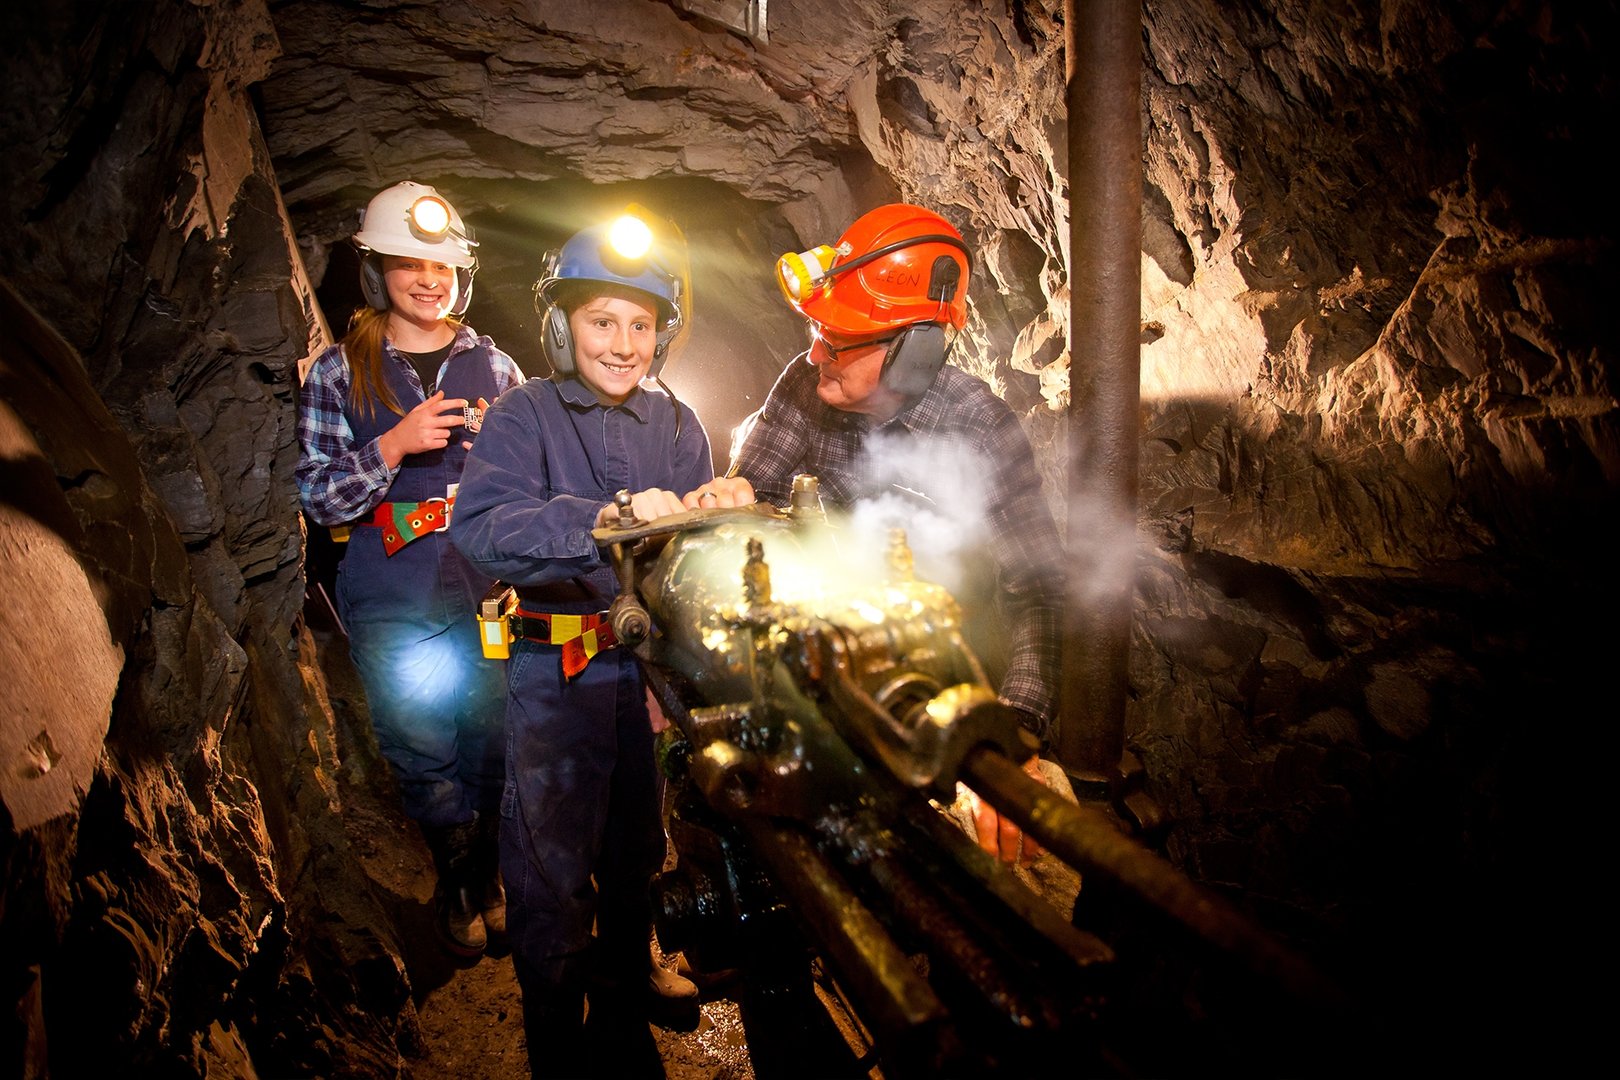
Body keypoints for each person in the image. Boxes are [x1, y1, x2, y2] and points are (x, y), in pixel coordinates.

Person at [449, 208, 725, 1078]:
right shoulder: (524, 417)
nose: (622, 342)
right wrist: (601, 521)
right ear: (562, 327)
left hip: (644, 678)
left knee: (639, 845)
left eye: (640, 324)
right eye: (602, 320)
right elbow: (484, 530)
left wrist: (714, 520)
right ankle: (555, 1034)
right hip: (555, 674)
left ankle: (624, 981)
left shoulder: (678, 427)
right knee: (549, 862)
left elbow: (687, 564)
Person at [707, 203, 1066, 866]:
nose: (816, 352)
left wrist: (1010, 736)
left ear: (915, 354)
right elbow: (747, 495)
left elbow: (1038, 592)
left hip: (945, 687)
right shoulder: (804, 384)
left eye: (838, 340)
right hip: (818, 679)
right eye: (817, 330)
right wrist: (733, 501)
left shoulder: (980, 430)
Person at [296, 180, 522, 960]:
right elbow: (320, 497)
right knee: (421, 740)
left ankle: (491, 874)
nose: (431, 281)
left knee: (494, 733)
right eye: (409, 264)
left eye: (445, 266)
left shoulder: (495, 368)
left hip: (487, 589)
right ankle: (458, 881)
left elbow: (533, 481)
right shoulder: (338, 372)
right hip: (392, 592)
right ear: (375, 272)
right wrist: (394, 444)